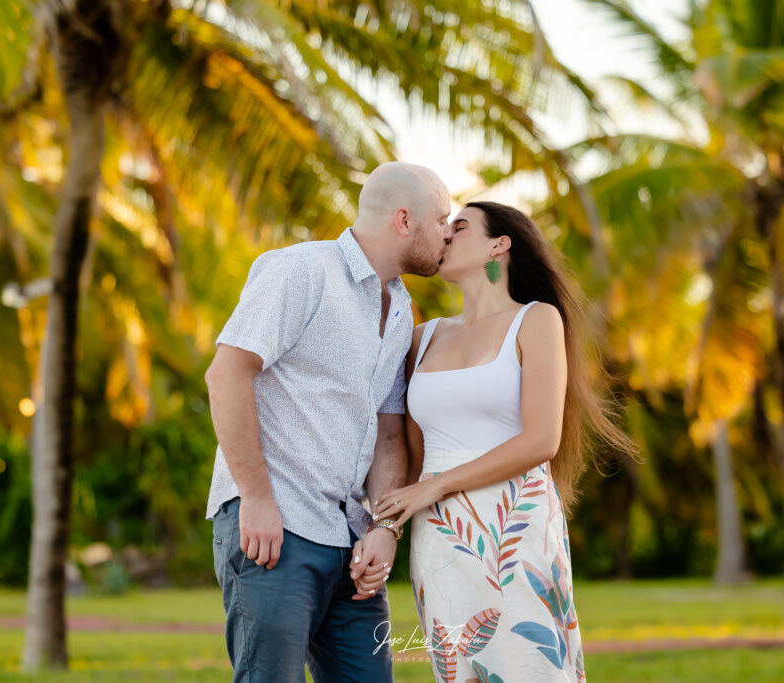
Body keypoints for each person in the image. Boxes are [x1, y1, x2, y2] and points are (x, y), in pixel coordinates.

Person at [204, 161, 453, 682]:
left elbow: (389, 432)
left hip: (351, 546)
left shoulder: (403, 310)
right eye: (442, 220)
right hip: (276, 532)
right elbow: (227, 373)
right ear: (404, 221)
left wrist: (385, 528)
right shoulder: (301, 271)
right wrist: (256, 497)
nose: (448, 234)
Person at [366, 202, 635, 681]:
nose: (445, 234)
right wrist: (387, 529)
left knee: (530, 667)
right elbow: (411, 456)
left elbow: (541, 440)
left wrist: (437, 485)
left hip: (516, 528)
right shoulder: (421, 338)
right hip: (440, 539)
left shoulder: (536, 321)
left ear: (500, 245)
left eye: (460, 226)